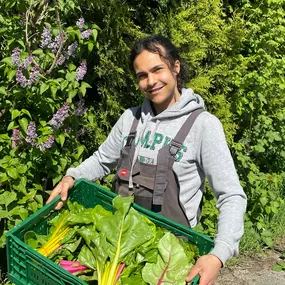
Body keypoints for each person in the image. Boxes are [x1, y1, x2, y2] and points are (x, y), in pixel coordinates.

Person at [47, 35, 247, 285]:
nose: (151, 81)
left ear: (175, 67)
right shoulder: (130, 119)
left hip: (171, 260)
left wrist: (218, 254)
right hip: (121, 253)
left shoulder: (203, 126)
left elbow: (231, 195)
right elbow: (101, 160)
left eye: (157, 69)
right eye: (142, 75)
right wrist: (71, 176)